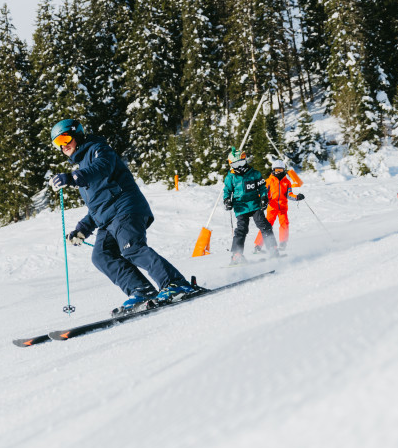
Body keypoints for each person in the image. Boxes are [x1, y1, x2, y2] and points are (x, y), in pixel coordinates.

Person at [49, 118, 194, 314]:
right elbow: (97, 208)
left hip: (126, 209)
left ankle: (175, 283)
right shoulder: (82, 170)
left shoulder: (98, 149)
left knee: (132, 249)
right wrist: (82, 229)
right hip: (109, 220)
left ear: (77, 135)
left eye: (66, 138)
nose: (64, 145)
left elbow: (103, 166)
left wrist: (73, 178)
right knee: (101, 256)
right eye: (58, 142)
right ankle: (141, 291)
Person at [223, 148, 279, 262]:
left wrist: (264, 197)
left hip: (255, 204)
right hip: (240, 206)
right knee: (241, 229)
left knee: (264, 225)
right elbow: (227, 191)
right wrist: (227, 200)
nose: (240, 167)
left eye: (242, 163)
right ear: (231, 165)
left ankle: (272, 248)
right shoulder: (231, 177)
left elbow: (262, 188)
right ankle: (236, 255)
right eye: (236, 164)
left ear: (245, 160)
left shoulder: (254, 174)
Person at [253, 157, 305, 251]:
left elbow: (289, 195)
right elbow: (264, 194)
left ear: (284, 170)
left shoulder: (287, 182)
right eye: (277, 170)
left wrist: (297, 197)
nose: (279, 172)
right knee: (266, 226)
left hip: (283, 207)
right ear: (273, 170)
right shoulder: (269, 181)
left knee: (284, 223)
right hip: (272, 207)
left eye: (281, 170)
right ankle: (258, 245)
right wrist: (263, 201)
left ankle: (283, 243)